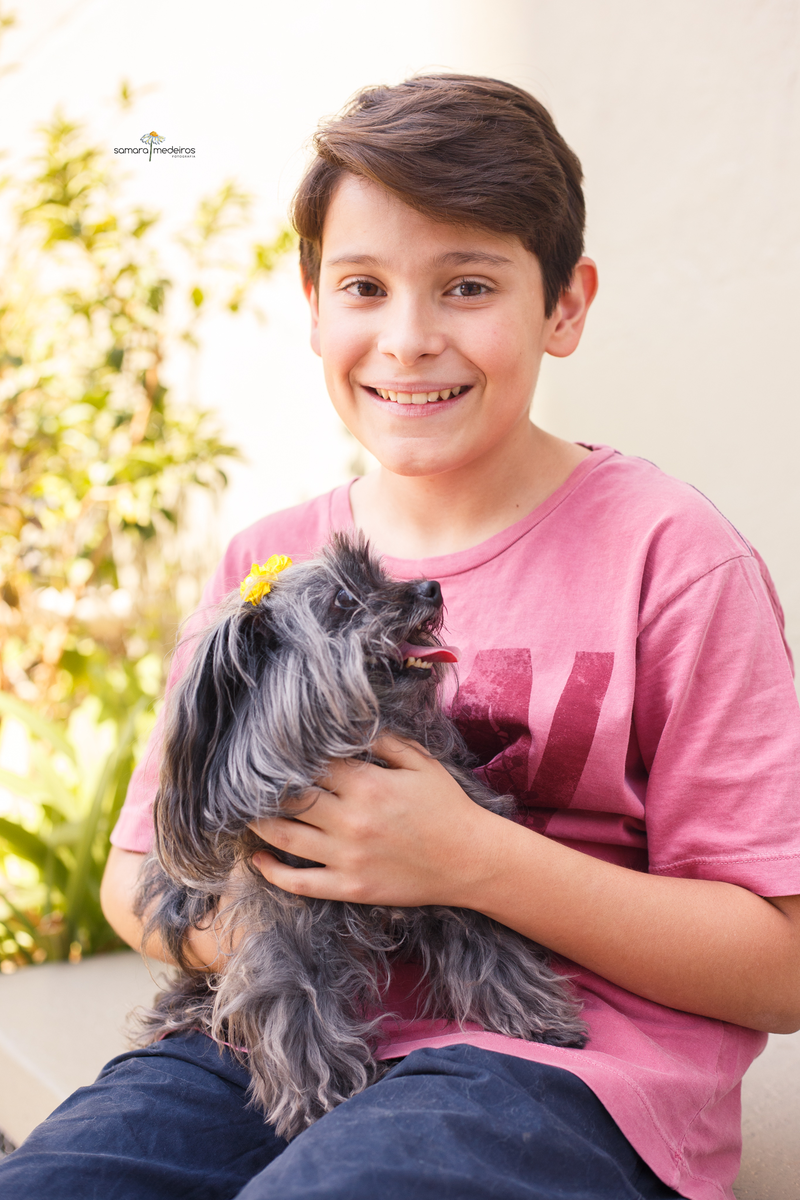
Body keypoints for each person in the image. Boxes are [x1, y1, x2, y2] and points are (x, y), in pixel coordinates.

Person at [2, 73, 799, 1200]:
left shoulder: (670, 558)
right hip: (266, 1033)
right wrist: (299, 944)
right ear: (313, 304)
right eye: (364, 287)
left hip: (551, 1068)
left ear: (563, 305)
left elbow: (781, 967)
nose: (409, 339)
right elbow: (143, 877)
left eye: (466, 285)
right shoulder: (262, 561)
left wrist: (469, 861)